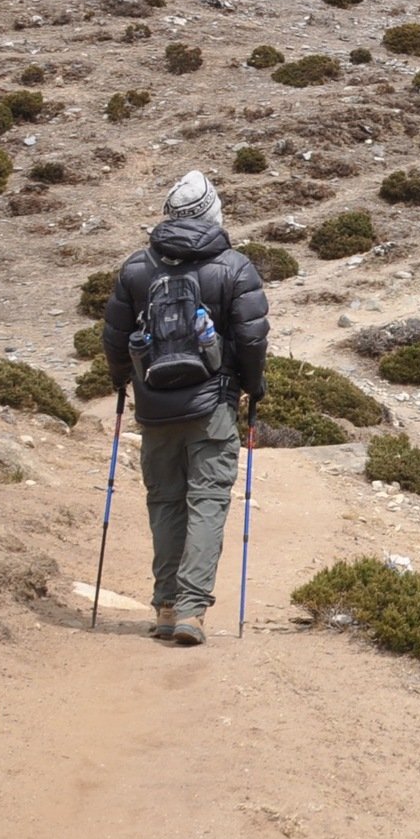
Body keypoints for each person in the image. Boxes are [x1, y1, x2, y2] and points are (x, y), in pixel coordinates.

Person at [101, 170, 269, 646]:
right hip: (212, 403)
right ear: (212, 211)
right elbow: (252, 337)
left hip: (155, 407)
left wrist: (123, 382)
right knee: (208, 502)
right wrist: (252, 389)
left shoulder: (136, 268)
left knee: (165, 501)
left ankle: (165, 605)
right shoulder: (235, 267)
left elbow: (114, 337)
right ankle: (192, 612)